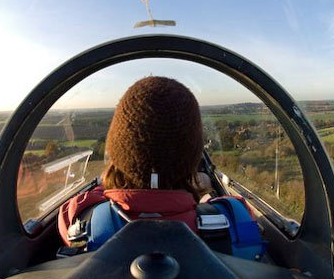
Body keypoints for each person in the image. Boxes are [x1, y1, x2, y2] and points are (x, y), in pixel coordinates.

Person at [58, 76, 263, 260]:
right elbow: (233, 209)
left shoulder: (82, 218)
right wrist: (203, 194)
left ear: (117, 151)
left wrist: (116, 180)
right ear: (192, 155)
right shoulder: (235, 215)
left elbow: (90, 200)